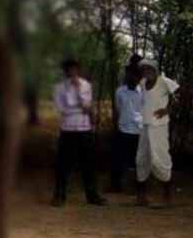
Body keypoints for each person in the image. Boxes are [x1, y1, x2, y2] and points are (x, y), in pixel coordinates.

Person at [51, 59, 106, 207]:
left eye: (75, 69)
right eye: (70, 70)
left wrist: (78, 92)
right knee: (63, 164)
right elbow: (60, 108)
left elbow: (87, 106)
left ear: (78, 70)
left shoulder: (86, 85)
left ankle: (92, 195)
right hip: (67, 129)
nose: (73, 72)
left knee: (88, 163)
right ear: (66, 71)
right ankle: (59, 195)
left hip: (84, 128)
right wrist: (78, 107)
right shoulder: (59, 88)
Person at [136, 59, 180, 208]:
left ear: (155, 69)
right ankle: (141, 197)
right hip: (145, 126)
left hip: (159, 127)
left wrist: (167, 109)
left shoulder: (164, 81)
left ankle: (167, 196)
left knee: (160, 158)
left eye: (149, 69)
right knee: (142, 159)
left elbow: (180, 95)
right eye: (144, 69)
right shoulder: (142, 83)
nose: (146, 71)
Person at [110, 64, 143, 193]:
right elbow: (118, 108)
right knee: (118, 159)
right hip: (123, 129)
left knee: (137, 160)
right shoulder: (119, 91)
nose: (132, 77)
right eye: (129, 74)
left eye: (135, 75)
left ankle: (138, 187)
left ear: (139, 77)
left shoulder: (143, 93)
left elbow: (144, 110)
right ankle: (115, 186)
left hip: (138, 130)